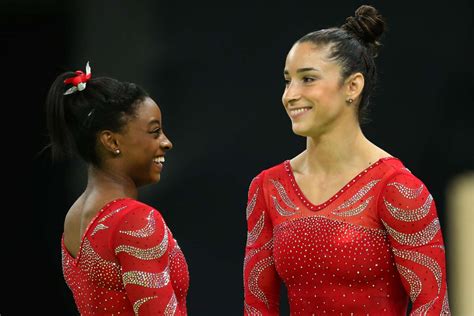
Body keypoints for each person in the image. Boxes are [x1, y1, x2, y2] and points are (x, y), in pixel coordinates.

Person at [243, 5, 450, 315]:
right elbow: (258, 307)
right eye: (288, 81)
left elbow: (433, 306)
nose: (290, 94)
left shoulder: (397, 188)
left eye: (308, 79)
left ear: (352, 86)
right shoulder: (268, 187)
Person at [46, 62, 189, 315]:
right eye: (154, 132)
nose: (167, 143)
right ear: (111, 141)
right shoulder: (135, 220)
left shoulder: (74, 218)